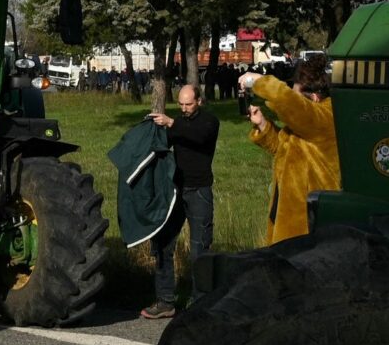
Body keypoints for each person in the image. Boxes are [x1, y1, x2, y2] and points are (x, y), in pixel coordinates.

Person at [238, 52, 339, 245]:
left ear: (315, 98)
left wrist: (260, 81)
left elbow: (290, 104)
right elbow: (286, 149)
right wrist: (263, 125)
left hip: (309, 225)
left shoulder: (325, 118)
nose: (293, 99)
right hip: (287, 216)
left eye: (297, 95)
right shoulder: (306, 126)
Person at [141, 84, 219, 319]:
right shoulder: (179, 122)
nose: (184, 109)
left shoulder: (210, 122)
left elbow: (198, 136)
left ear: (200, 101)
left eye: (189, 104)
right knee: (163, 243)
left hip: (199, 191)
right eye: (181, 105)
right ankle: (165, 301)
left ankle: (200, 303)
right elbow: (164, 142)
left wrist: (172, 123)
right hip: (175, 191)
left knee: (199, 248)